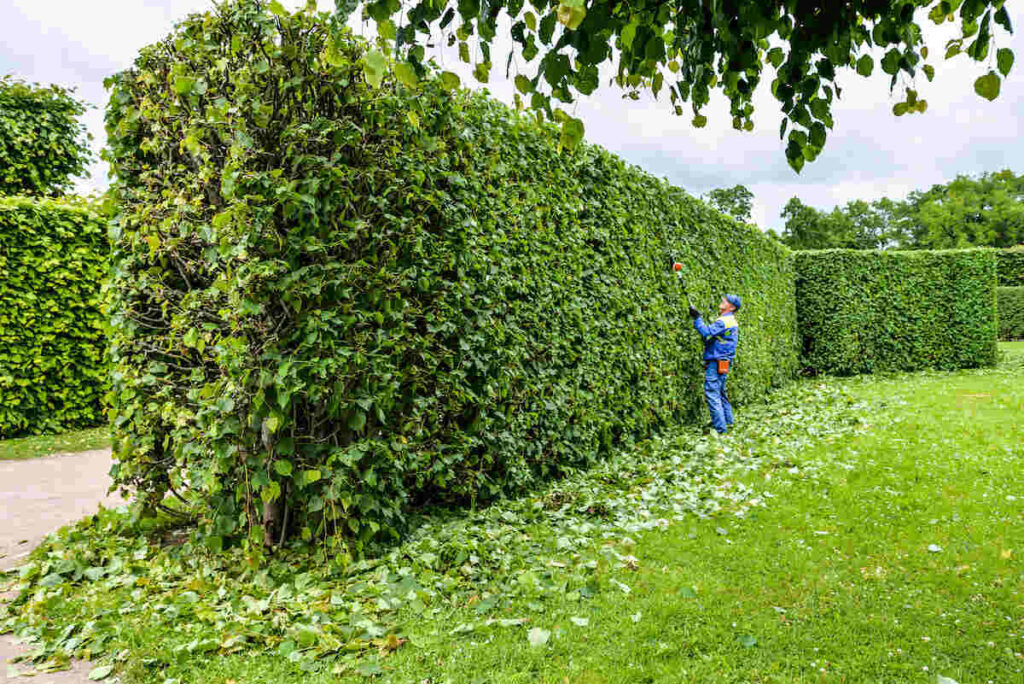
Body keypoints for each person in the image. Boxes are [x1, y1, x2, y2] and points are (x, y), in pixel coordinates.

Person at [688, 294, 742, 434]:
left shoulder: (724, 321)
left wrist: (697, 317)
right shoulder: (731, 321)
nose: (722, 301)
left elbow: (706, 332)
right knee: (721, 392)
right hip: (724, 361)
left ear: (731, 307)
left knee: (712, 393)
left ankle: (720, 430)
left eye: (726, 301)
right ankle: (728, 422)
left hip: (716, 361)